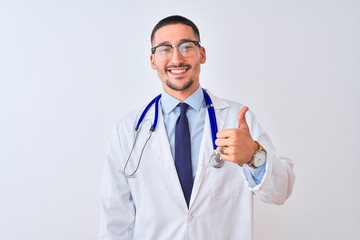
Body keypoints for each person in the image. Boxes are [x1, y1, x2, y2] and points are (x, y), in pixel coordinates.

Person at [99, 15, 295, 240]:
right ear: (153, 60)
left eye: (186, 46)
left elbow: (281, 192)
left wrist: (254, 155)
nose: (176, 57)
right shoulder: (127, 129)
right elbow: (114, 218)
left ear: (202, 54)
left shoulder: (236, 119)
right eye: (165, 49)